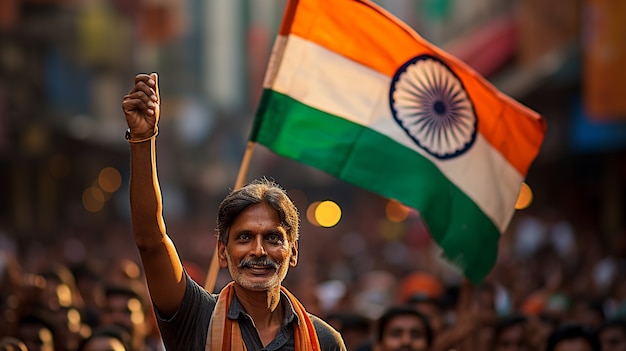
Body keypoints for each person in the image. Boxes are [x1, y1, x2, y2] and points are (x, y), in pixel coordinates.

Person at [121, 73, 346, 350]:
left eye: (273, 238)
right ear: (222, 252)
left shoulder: (324, 340)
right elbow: (150, 242)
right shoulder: (196, 318)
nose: (259, 251)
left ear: (294, 251)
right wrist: (143, 139)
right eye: (244, 238)